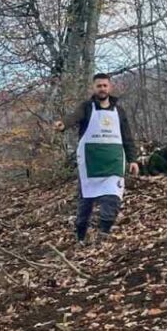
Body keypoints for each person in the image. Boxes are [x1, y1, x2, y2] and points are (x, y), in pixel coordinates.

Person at [58, 73, 140, 242]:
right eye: (99, 86)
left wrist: (132, 159)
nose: (102, 89)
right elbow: (74, 117)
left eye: (105, 85)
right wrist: (64, 124)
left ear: (110, 87)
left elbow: (127, 137)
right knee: (85, 201)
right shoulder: (87, 107)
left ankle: (104, 232)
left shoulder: (119, 111)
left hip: (114, 161)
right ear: (93, 88)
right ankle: (80, 236)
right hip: (90, 162)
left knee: (113, 196)